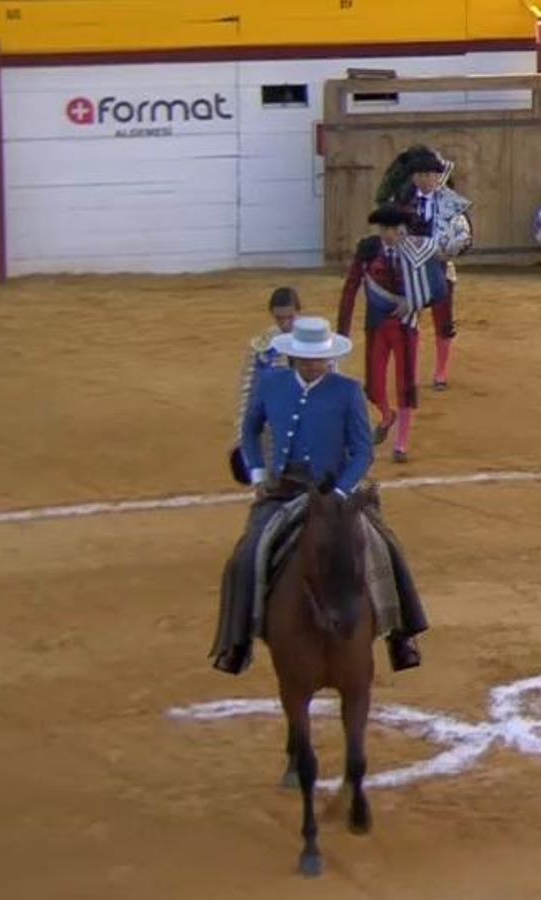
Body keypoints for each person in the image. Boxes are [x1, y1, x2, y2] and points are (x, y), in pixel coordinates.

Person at [212, 316, 427, 674]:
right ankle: (237, 642)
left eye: (320, 359)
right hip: (284, 489)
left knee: (386, 547)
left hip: (335, 488)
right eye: (308, 359)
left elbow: (362, 451)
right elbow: (250, 430)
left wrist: (341, 491)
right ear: (293, 357)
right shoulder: (272, 383)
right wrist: (259, 472)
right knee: (245, 557)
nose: (315, 365)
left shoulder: (348, 391)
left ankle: (402, 635)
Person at [336, 206, 440, 463]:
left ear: (403, 229)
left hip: (405, 326)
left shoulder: (417, 249)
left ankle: (401, 445)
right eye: (384, 229)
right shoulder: (368, 249)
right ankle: (386, 415)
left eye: (393, 229)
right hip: (377, 324)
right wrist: (342, 332)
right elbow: (350, 288)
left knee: (405, 383)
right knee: (373, 384)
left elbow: (437, 289)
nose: (388, 234)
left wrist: (414, 302)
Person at [393, 150, 471, 391]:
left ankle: (440, 372)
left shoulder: (451, 202)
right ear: (413, 177)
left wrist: (449, 252)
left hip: (441, 265)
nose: (426, 179)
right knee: (409, 318)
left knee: (443, 319)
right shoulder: (403, 201)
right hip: (410, 266)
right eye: (420, 174)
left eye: (430, 174)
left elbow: (467, 239)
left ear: (438, 176)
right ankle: (410, 372)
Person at [230, 287, 301, 482]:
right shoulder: (263, 346)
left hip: (309, 425)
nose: (285, 324)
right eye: (279, 318)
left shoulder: (315, 340)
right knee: (272, 484)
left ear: (298, 312)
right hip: (274, 428)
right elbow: (248, 390)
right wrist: (243, 433)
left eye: (290, 317)